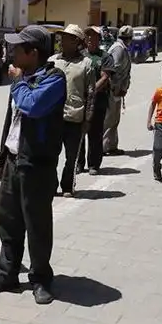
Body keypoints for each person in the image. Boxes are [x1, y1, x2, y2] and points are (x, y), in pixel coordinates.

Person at [0, 25, 66, 305]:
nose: (12, 51)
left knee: (37, 225)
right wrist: (3, 157)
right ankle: (7, 273)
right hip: (13, 161)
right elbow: (13, 120)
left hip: (36, 165)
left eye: (18, 48)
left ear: (33, 53)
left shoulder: (53, 79)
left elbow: (33, 106)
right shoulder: (22, 77)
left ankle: (41, 278)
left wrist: (17, 83)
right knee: (8, 222)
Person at [50, 24, 95, 196]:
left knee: (71, 157)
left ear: (76, 41)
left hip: (75, 116)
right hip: (54, 116)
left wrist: (88, 119)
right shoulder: (53, 60)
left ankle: (67, 185)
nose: (62, 41)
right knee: (52, 154)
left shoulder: (86, 64)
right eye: (62, 37)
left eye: (67, 38)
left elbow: (90, 93)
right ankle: (52, 185)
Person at [75, 27, 110, 175]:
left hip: (98, 99)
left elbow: (105, 76)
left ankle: (94, 164)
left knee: (95, 133)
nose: (90, 39)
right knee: (79, 132)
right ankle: (79, 163)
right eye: (87, 36)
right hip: (80, 100)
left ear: (98, 38)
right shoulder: (80, 55)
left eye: (93, 36)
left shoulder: (105, 56)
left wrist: (91, 91)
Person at [102, 25, 134, 156]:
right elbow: (113, 71)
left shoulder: (121, 48)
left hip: (117, 89)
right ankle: (104, 147)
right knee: (109, 120)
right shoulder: (119, 49)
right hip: (113, 90)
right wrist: (117, 89)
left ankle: (111, 145)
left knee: (114, 119)